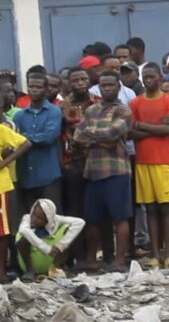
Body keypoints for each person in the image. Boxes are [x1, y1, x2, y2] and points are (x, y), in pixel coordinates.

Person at [73, 70, 133, 272]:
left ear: (118, 87)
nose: (107, 88)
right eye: (103, 85)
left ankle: (119, 260)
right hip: (92, 171)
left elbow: (113, 133)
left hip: (116, 170)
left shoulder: (123, 111)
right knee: (92, 218)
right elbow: (77, 137)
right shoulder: (91, 110)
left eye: (111, 85)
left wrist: (94, 136)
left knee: (120, 217)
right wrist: (103, 139)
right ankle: (91, 259)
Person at [129, 63, 169, 268]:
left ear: (160, 77)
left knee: (166, 208)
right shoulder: (135, 102)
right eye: (145, 77)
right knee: (149, 208)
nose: (148, 81)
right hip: (142, 161)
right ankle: (155, 254)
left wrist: (142, 126)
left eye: (152, 77)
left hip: (163, 161)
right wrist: (156, 128)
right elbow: (130, 132)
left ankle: (168, 254)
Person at [59, 67, 96, 267]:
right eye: (76, 80)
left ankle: (96, 256)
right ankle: (78, 257)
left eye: (83, 78)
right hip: (72, 164)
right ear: (69, 83)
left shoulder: (98, 103)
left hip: (96, 163)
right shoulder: (62, 106)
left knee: (95, 211)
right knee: (75, 212)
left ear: (89, 80)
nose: (80, 82)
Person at [13, 73, 64, 214]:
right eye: (31, 86)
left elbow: (48, 137)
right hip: (26, 176)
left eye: (38, 87)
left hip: (48, 175)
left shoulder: (54, 111)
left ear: (46, 89)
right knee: (30, 219)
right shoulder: (19, 115)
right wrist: (25, 139)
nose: (34, 90)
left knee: (53, 217)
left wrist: (23, 138)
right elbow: (14, 141)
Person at [17, 198, 84, 279]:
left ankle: (56, 268)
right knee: (23, 239)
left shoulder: (56, 220)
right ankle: (30, 271)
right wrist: (46, 249)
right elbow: (23, 230)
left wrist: (60, 245)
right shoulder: (27, 218)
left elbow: (80, 222)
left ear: (48, 219)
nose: (35, 219)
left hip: (53, 256)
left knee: (67, 229)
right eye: (34, 215)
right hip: (33, 260)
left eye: (40, 218)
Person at [0, 122, 32, 282]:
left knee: (2, 231)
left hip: (0, 186)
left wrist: (5, 163)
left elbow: (25, 143)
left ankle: (1, 272)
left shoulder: (1, 129)